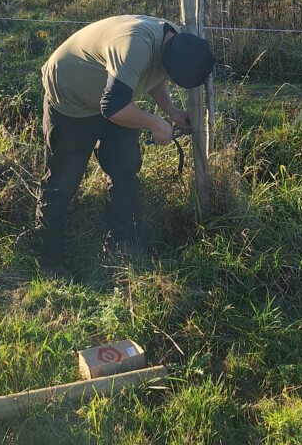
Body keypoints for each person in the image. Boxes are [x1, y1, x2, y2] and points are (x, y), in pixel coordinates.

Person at [34, 14, 215, 271]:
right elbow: (113, 107)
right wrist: (155, 123)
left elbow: (153, 75)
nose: (170, 82)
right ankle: (49, 260)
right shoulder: (135, 46)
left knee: (125, 170)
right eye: (174, 80)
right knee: (63, 181)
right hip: (71, 97)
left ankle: (121, 247)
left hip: (112, 96)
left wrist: (172, 111)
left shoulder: (173, 39)